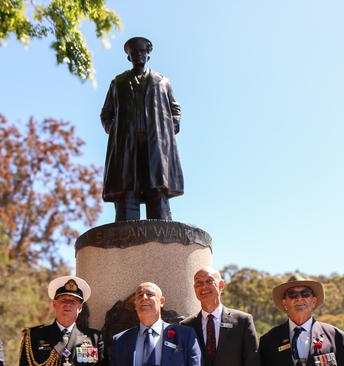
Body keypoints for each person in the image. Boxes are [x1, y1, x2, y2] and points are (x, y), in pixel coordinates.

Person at [100, 36, 183, 222]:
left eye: (142, 52)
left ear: (148, 55)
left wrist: (170, 128)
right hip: (126, 145)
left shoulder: (162, 82)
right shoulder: (118, 83)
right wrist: (114, 130)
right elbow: (106, 113)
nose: (139, 55)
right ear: (129, 56)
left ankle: (162, 234)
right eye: (134, 52)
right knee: (127, 191)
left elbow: (175, 109)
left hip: (155, 143)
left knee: (157, 189)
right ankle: (125, 239)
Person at [258, 275, 344, 366]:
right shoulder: (268, 341)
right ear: (284, 303)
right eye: (292, 294)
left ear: (313, 301)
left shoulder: (335, 336)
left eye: (305, 293)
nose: (299, 298)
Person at [19, 276, 106, 366]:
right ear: (54, 304)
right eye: (63, 300)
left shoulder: (94, 338)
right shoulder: (34, 336)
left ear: (80, 308)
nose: (68, 304)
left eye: (73, 301)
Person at [180, 267, 259, 366]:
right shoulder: (185, 326)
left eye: (209, 281)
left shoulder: (243, 321)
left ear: (221, 285)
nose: (204, 287)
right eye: (199, 283)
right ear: (195, 289)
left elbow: (252, 361)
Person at [112, 282, 201, 366]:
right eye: (140, 295)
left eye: (150, 294)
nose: (144, 298)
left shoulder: (185, 335)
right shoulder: (120, 340)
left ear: (161, 301)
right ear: (135, 304)